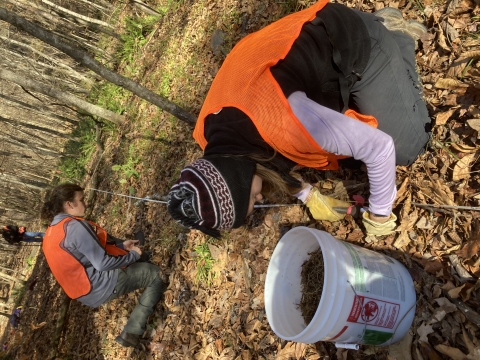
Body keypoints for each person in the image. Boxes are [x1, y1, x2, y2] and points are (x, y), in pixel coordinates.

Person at [167, 2, 431, 238]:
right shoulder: (213, 140)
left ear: (239, 178)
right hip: (308, 59)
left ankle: (396, 34)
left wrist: (380, 215)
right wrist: (307, 194)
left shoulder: (285, 119)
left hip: (356, 40)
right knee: (349, 154)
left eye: (251, 199)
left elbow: (380, 148)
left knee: (408, 147)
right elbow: (256, 159)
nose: (259, 199)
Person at [40, 183, 164, 349]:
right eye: (81, 200)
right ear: (69, 205)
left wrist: (122, 248)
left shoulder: (52, 232)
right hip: (97, 286)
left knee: (138, 261)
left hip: (83, 291)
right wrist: (133, 255)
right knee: (156, 275)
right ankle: (132, 332)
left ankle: (139, 264)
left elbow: (84, 259)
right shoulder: (74, 227)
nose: (86, 203)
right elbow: (102, 264)